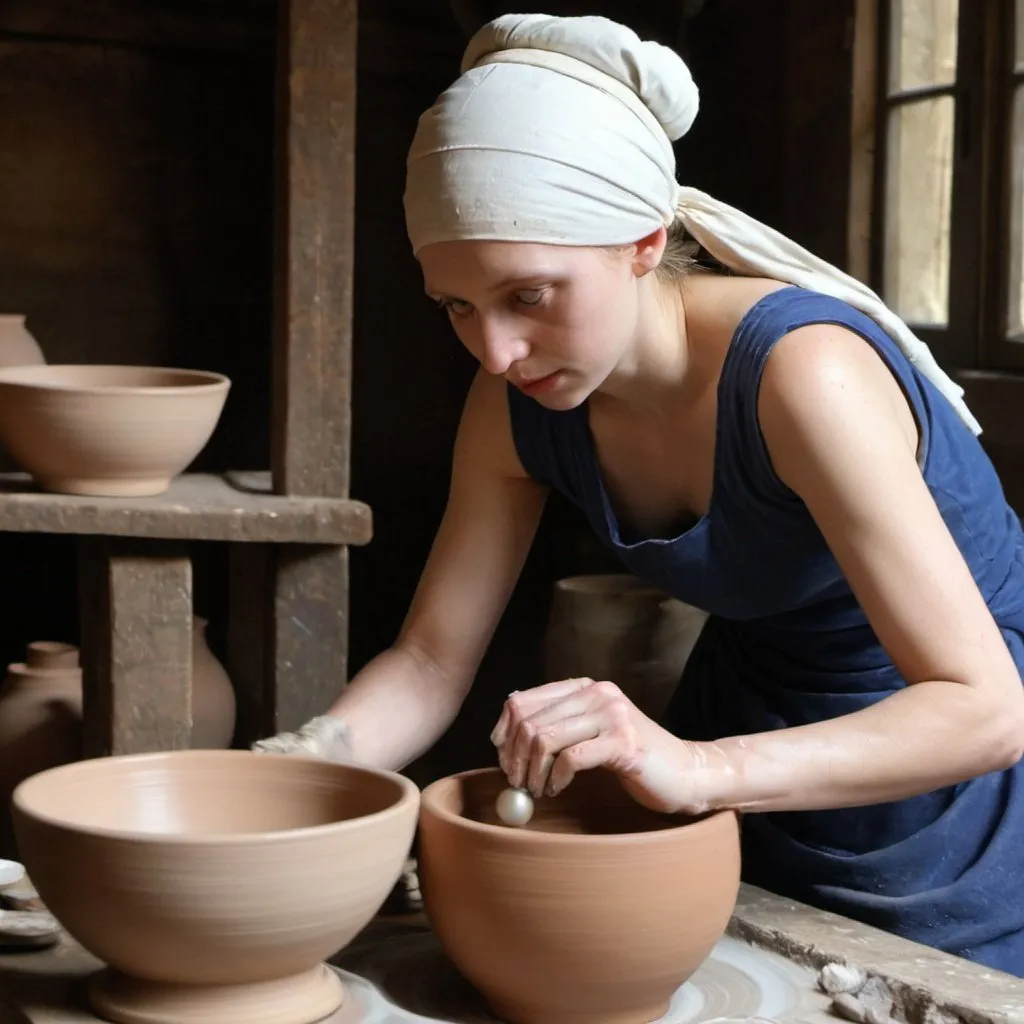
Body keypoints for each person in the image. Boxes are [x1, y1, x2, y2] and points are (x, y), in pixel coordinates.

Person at [253, 13, 1024, 975]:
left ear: (645, 243)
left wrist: (699, 768)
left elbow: (985, 711)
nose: (493, 351)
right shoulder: (518, 395)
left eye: (528, 294)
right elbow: (428, 661)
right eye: (457, 305)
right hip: (749, 726)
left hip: (939, 773)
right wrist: (296, 768)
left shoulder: (803, 376)